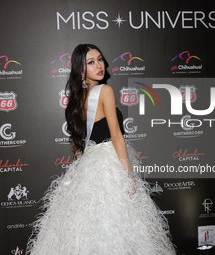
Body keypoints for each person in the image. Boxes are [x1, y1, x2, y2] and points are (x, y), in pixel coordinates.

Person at [26, 44, 176, 255]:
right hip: (109, 164)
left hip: (89, 167)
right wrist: (128, 175)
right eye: (91, 62)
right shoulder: (105, 91)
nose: (99, 65)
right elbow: (116, 136)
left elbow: (79, 148)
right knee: (121, 228)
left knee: (87, 229)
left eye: (100, 59)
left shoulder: (75, 101)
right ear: (81, 70)